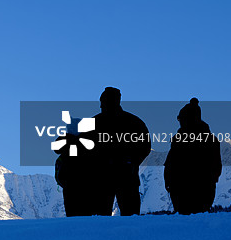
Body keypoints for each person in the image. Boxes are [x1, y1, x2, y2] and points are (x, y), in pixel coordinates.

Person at [92, 87, 150, 216]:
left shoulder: (93, 123)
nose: (101, 104)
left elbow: (145, 146)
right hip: (122, 175)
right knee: (130, 216)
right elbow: (145, 147)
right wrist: (131, 162)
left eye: (103, 101)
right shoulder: (135, 122)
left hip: (107, 177)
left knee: (100, 218)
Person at [164, 98, 222, 214]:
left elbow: (171, 163)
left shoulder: (180, 140)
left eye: (181, 119)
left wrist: (169, 182)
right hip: (196, 187)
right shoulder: (210, 140)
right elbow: (216, 166)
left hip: (190, 188)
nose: (179, 122)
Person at [54, 119, 105, 216]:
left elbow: (56, 149)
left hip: (69, 184)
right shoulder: (89, 142)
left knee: (72, 213)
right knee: (87, 214)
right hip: (88, 185)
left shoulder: (66, 143)